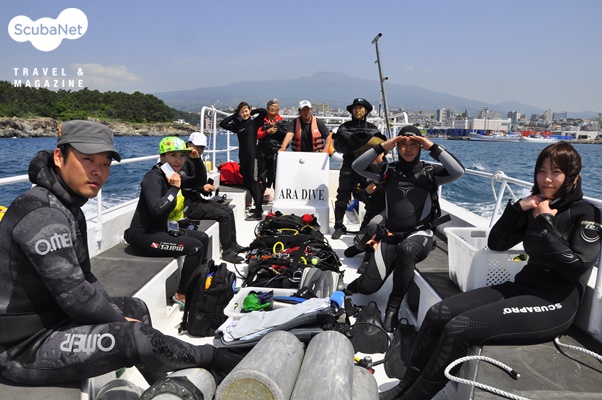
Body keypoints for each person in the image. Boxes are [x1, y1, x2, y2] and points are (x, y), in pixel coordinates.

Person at [0, 121, 241, 386]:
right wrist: (120, 322)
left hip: (56, 318)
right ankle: (216, 359)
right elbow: (76, 297)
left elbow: (86, 278)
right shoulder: (43, 214)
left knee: (135, 307)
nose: (98, 172)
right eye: (88, 160)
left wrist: (119, 316)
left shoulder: (68, 205)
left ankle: (161, 386)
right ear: (59, 157)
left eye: (105, 164)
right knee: (132, 336)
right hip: (21, 347)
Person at [379, 141, 602, 400]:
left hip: (555, 303)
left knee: (459, 327)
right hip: (522, 288)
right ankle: (404, 386)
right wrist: (518, 209)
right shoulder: (537, 204)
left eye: (556, 172)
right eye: (541, 171)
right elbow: (496, 243)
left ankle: (415, 397)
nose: (547, 179)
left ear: (572, 177)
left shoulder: (587, 214)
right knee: (439, 313)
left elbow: (574, 268)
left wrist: (544, 221)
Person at [346, 126, 465, 332]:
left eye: (414, 144)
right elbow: (357, 166)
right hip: (391, 235)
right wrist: (384, 146)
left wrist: (432, 146)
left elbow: (458, 171)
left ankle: (393, 308)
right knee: (366, 288)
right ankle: (359, 283)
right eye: (402, 144)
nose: (408, 149)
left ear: (420, 146)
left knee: (407, 249)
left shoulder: (430, 172)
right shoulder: (388, 171)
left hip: (420, 235)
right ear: (396, 146)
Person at [127, 136, 210, 308]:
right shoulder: (153, 177)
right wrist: (174, 188)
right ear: (162, 157)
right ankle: (182, 294)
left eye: (182, 155)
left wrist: (197, 160)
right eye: (173, 155)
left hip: (160, 230)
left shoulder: (171, 175)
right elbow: (157, 210)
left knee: (202, 237)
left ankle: (198, 282)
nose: (178, 160)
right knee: (195, 247)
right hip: (143, 236)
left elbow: (199, 181)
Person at [180, 132, 244, 264]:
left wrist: (203, 187)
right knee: (223, 215)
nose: (200, 150)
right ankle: (227, 252)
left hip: (197, 199)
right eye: (197, 146)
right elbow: (183, 186)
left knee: (228, 211)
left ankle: (233, 245)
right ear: (189, 144)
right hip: (188, 205)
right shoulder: (183, 161)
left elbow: (198, 181)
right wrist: (201, 188)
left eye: (202, 147)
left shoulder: (194, 159)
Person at [331, 98, 386, 239]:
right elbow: (338, 146)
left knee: (371, 195)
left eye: (361, 108)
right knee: (342, 195)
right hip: (349, 165)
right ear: (352, 111)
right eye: (355, 108)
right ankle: (338, 226)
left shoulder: (372, 129)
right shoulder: (344, 128)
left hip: (367, 168)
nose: (358, 110)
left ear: (366, 111)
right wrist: (353, 145)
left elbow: (380, 147)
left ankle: (367, 226)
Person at [219, 102, 267, 220]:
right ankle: (258, 208)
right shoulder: (238, 126)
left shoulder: (254, 122)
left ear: (249, 111)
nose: (245, 113)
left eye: (246, 111)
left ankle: (258, 213)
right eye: (242, 112)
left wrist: (251, 112)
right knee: (247, 182)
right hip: (243, 157)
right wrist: (235, 115)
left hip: (253, 156)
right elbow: (222, 124)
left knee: (255, 183)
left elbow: (263, 112)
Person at [257, 99, 285, 191]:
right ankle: (261, 194)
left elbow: (286, 135)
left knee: (276, 174)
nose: (273, 108)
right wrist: (267, 131)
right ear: (267, 108)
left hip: (276, 150)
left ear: (278, 110)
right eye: (271, 106)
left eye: (275, 107)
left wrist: (275, 128)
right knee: (261, 174)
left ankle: (277, 194)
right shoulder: (261, 121)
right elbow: (257, 135)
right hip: (263, 150)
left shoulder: (282, 122)